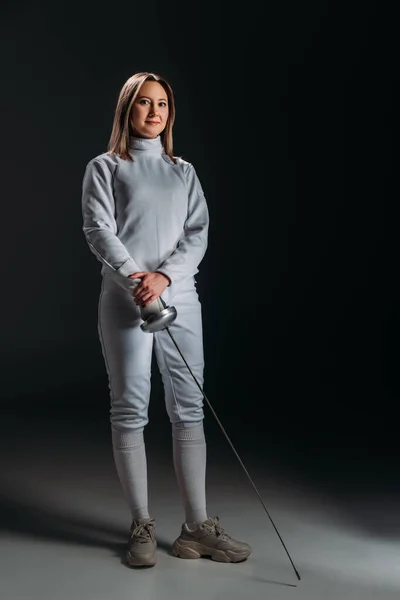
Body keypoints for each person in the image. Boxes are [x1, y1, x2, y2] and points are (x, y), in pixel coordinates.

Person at [81, 71, 252, 568]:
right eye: (144, 104)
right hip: (123, 300)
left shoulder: (184, 171)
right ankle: (141, 522)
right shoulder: (106, 167)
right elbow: (98, 228)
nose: (154, 113)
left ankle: (196, 528)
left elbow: (196, 234)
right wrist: (138, 278)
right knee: (131, 408)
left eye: (162, 104)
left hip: (181, 300)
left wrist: (165, 278)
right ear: (126, 110)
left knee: (190, 410)